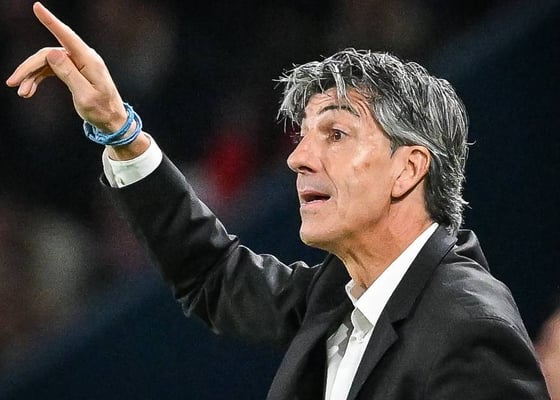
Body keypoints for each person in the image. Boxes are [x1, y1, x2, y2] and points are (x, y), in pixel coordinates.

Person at [6, 3, 551, 399]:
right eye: (304, 136)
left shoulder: (470, 329)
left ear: (407, 169)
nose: (298, 158)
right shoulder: (337, 296)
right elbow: (212, 275)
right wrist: (119, 129)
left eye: (335, 134)